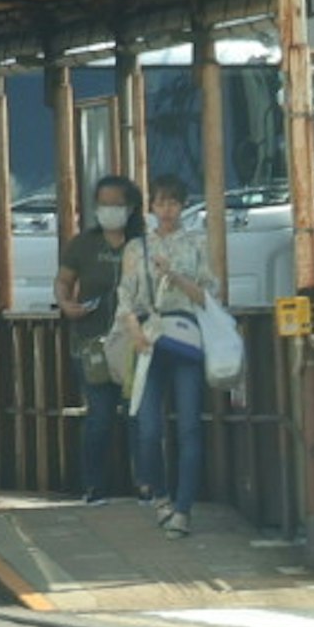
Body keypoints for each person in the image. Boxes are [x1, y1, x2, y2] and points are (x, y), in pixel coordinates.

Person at [116, 173, 221, 538]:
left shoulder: (196, 243)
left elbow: (209, 293)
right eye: (161, 203)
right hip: (148, 338)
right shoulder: (136, 248)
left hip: (186, 338)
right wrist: (134, 333)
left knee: (190, 426)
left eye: (174, 202)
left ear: (183, 205)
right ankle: (160, 495)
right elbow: (125, 297)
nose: (167, 210)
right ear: (151, 207)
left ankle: (183, 509)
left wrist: (174, 276)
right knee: (147, 428)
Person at [54, 175, 141, 503]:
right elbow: (63, 281)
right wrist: (66, 304)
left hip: (135, 343)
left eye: (116, 204)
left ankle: (146, 485)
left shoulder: (142, 243)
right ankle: (94, 487)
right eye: (103, 204)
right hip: (91, 342)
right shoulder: (83, 244)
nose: (109, 211)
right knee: (100, 417)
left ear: (130, 208)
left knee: (137, 415)